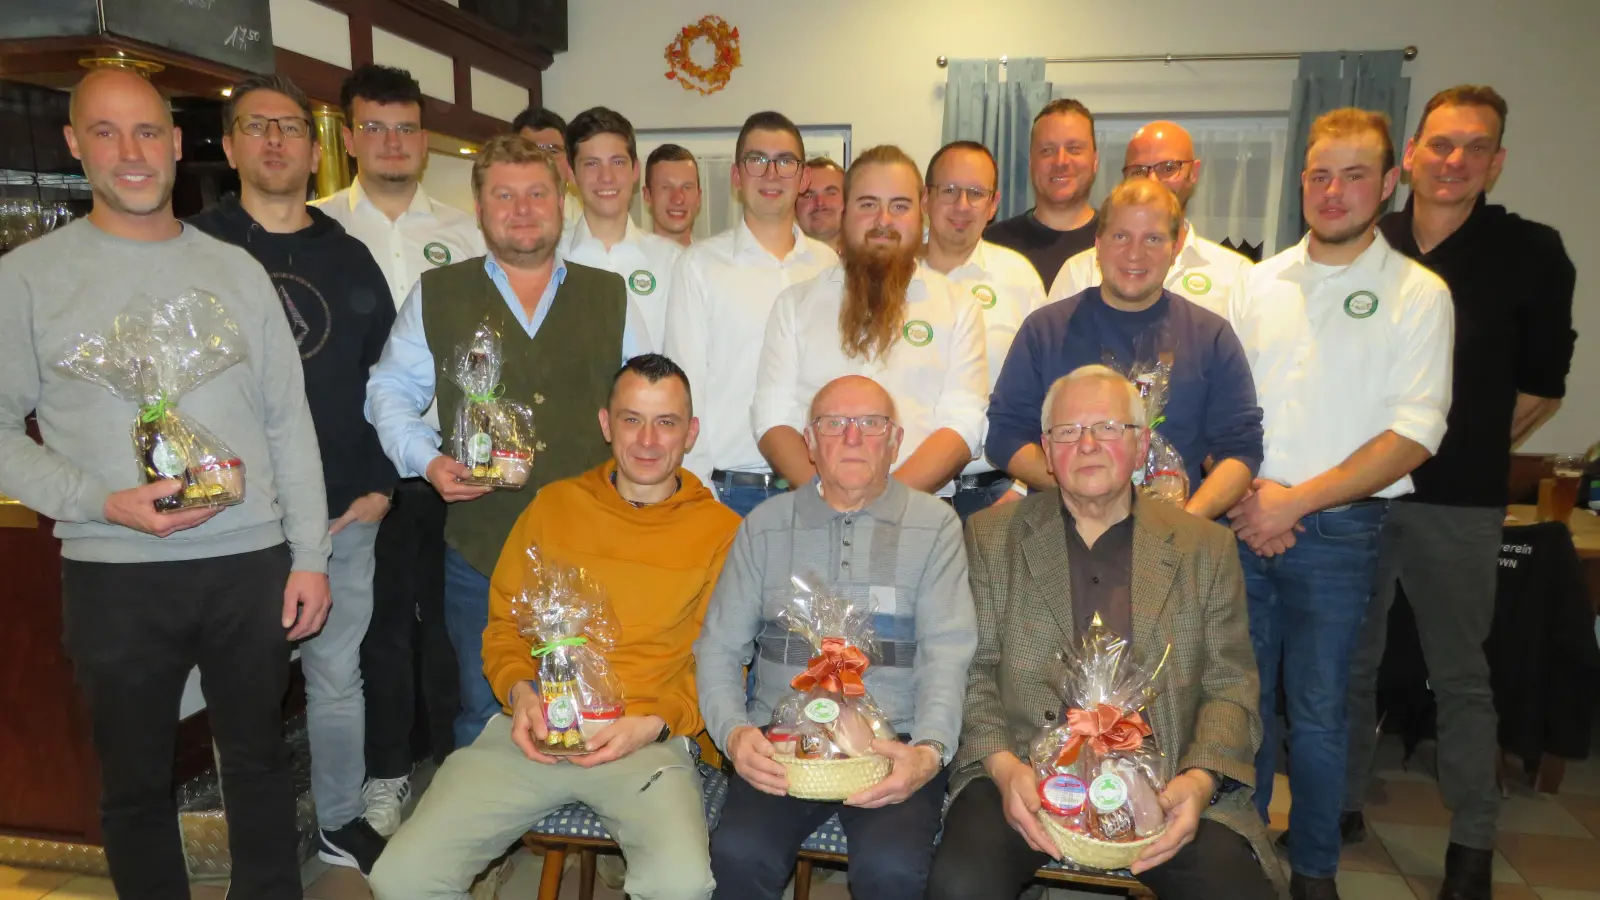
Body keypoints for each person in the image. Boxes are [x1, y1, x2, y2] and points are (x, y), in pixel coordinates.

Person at [0, 67, 329, 900]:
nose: (131, 152)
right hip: (113, 573)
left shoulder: (237, 272)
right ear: (74, 146)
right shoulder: (28, 278)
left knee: (258, 763)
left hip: (247, 563)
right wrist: (96, 501)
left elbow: (289, 423)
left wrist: (308, 556)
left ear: (177, 144)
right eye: (105, 132)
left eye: (147, 131)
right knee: (134, 783)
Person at [370, 354, 740, 900]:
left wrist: (658, 722)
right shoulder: (555, 506)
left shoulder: (721, 531)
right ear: (606, 424)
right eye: (632, 419)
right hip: (535, 733)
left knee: (680, 885)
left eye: (666, 422)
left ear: (691, 432)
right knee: (400, 877)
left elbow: (724, 661)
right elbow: (504, 626)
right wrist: (520, 693)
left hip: (642, 742)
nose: (647, 440)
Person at [1341, 86, 1575, 900]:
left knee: (1461, 675)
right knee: (1350, 664)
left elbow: (1541, 389)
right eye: (1441, 144)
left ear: (1496, 162)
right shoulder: (1366, 240)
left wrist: (1453, 446)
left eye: (1476, 147)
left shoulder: (1531, 252)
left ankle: (1473, 840)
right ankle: (1339, 806)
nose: (1455, 160)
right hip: (1359, 497)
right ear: (1410, 155)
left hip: (1459, 503)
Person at [928, 365, 1280, 900]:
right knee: (960, 887)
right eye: (1068, 431)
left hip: (1166, 781)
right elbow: (972, 672)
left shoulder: (1204, 547)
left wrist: (1198, 782)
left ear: (1141, 447)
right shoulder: (991, 537)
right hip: (1021, 773)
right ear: (1048, 451)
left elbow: (1230, 687)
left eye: (1109, 428)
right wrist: (1001, 767)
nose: (1088, 445)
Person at [1229, 108, 1454, 900]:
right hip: (1241, 524)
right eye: (1320, 175)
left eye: (1355, 175)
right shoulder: (1255, 284)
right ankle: (1241, 860)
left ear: (1389, 183)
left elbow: (1415, 434)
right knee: (1238, 708)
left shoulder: (1417, 294)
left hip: (1341, 536)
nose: (1334, 191)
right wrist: (1254, 500)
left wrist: (1294, 504)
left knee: (1320, 711)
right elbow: (1226, 407)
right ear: (1302, 183)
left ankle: (1314, 872)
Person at [365, 134, 650, 757]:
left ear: (561, 203)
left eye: (537, 194)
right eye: (504, 196)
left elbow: (644, 406)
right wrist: (427, 461)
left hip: (595, 546)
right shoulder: (438, 292)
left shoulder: (609, 295)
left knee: (600, 703)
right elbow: (387, 390)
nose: (522, 210)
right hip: (482, 547)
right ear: (479, 208)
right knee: (485, 709)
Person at [189, 73, 397, 874]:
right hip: (235, 519)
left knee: (338, 677)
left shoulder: (348, 256)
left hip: (343, 513)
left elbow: (389, 381)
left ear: (316, 152)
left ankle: (340, 820)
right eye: (256, 126)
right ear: (229, 144)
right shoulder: (194, 248)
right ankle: (259, 843)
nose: (274, 141)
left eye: (290, 128)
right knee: (241, 688)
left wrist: (381, 485)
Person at [695, 374, 978, 900]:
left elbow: (948, 652)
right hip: (781, 745)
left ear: (895, 442)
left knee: (892, 870)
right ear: (809, 441)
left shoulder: (936, 526)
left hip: (894, 743)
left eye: (870, 423)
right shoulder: (763, 525)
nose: (852, 437)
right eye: (834, 424)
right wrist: (734, 735)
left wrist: (929, 751)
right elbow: (718, 647)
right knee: (738, 854)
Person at [313, 63, 486, 833]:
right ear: (349, 138)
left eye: (406, 128)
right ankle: (386, 775)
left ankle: (455, 771)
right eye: (374, 127)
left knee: (453, 625)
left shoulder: (465, 232)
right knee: (378, 630)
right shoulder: (318, 228)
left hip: (452, 464)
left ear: (426, 140)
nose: (392, 142)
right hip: (359, 466)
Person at [987, 179, 1263, 520]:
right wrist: (1082, 496)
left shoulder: (1211, 336)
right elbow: (1004, 436)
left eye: (1153, 239)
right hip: (1062, 531)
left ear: (1176, 247)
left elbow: (1240, 449)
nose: (1135, 253)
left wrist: (1185, 525)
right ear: (1097, 243)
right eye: (1120, 236)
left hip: (1175, 534)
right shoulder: (1045, 331)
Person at [753, 145, 987, 500]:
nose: (883, 221)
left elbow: (963, 423)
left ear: (922, 210)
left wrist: (885, 505)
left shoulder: (958, 308)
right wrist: (827, 500)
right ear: (845, 211)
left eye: (899, 206)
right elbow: (772, 418)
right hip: (814, 512)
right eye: (868, 205)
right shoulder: (794, 306)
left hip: (919, 512)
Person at [662, 111, 837, 515]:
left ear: (803, 177)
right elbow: (684, 389)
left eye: (785, 161)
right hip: (729, 494)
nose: (771, 174)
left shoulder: (829, 266)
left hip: (817, 490)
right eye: (757, 160)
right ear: (737, 177)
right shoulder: (699, 266)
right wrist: (698, 494)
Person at [920, 140, 1046, 517]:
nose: (962, 205)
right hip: (908, 493)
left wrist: (1024, 487)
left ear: (993, 205)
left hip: (997, 494)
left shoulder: (1019, 277)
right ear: (926, 198)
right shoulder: (891, 275)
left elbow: (1050, 389)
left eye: (976, 193)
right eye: (949, 190)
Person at [1048, 120, 1254, 318]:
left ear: (1194, 172)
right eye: (1138, 171)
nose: (1152, 181)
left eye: (1168, 168)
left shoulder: (1234, 275)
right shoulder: (1079, 272)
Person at [558, 107, 683, 348]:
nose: (606, 177)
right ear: (571, 174)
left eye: (617, 162)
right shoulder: (551, 257)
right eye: (591, 164)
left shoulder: (673, 262)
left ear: (635, 170)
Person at [984, 98, 1100, 285]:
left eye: (1074, 149)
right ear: (1031, 162)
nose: (1061, 161)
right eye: (1047, 150)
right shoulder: (991, 244)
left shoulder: (1121, 244)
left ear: (1095, 160)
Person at [512, 105, 583, 229]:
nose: (544, 160)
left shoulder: (587, 220)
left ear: (569, 161)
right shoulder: (493, 221)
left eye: (553, 151)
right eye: (531, 151)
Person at [643, 143, 702, 246]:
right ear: (647, 195)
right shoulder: (629, 256)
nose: (678, 199)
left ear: (699, 197)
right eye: (666, 187)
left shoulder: (713, 256)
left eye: (687, 187)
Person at [795, 156, 844, 253]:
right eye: (808, 196)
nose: (820, 203)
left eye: (831, 193)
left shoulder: (870, 258)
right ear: (794, 207)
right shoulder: (775, 260)